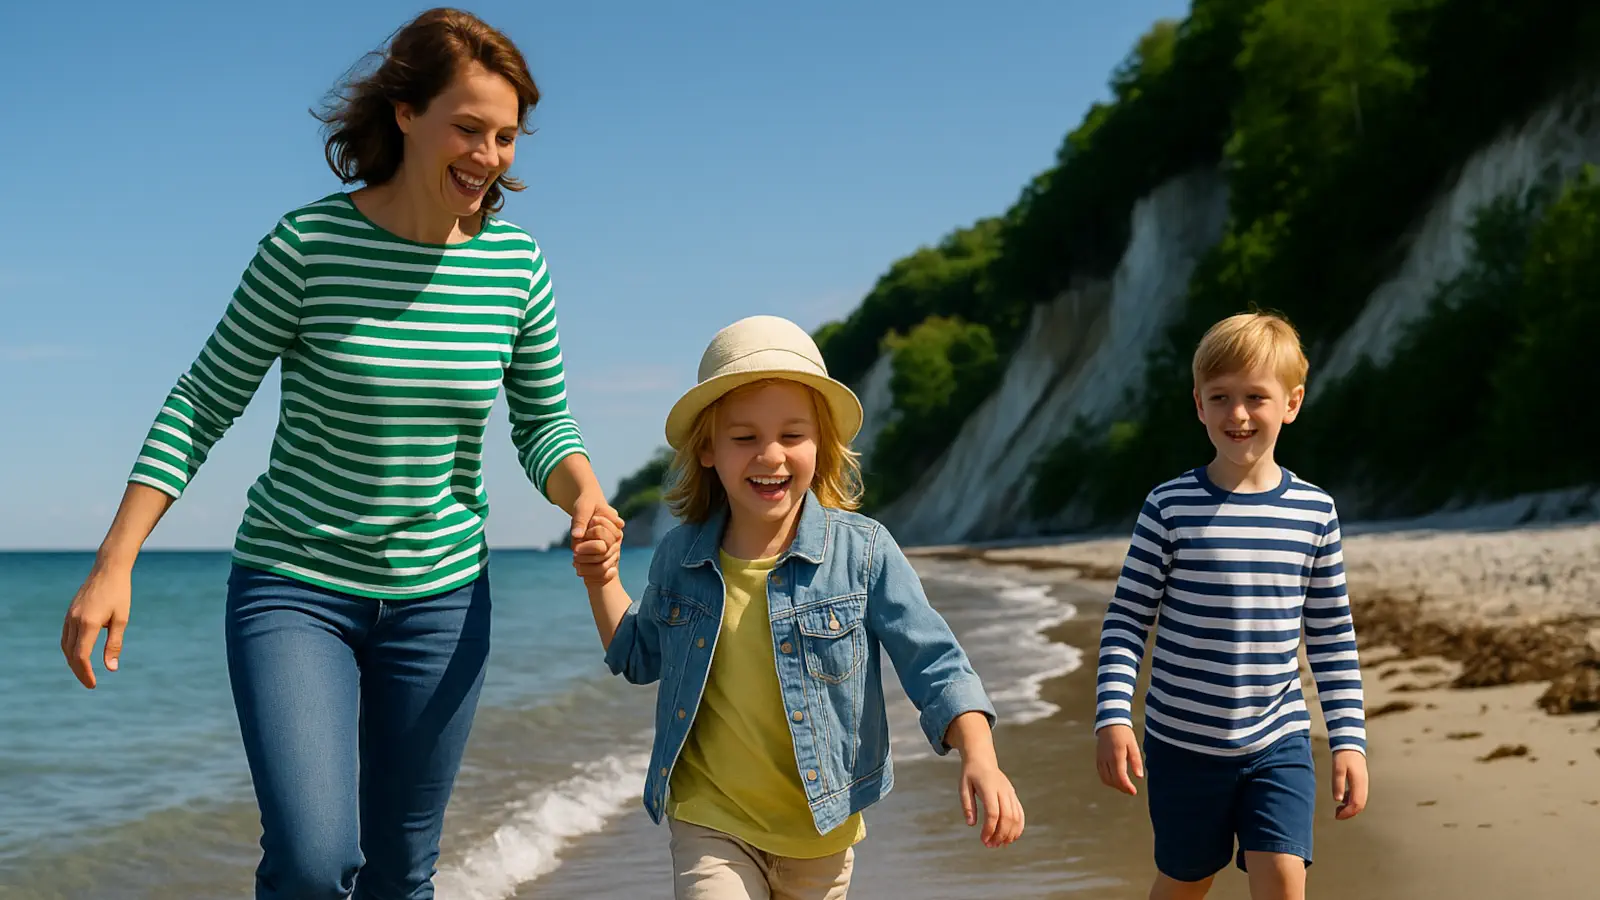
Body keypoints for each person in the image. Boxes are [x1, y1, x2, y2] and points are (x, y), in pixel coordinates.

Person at [58, 9, 624, 898]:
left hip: (442, 599)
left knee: (402, 872)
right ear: (406, 113)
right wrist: (115, 560)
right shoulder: (307, 247)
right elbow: (204, 400)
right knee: (314, 861)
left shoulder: (515, 267)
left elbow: (543, 424)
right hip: (297, 586)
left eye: (506, 136)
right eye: (468, 128)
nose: (488, 156)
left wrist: (583, 495)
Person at [570, 315, 1023, 899]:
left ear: (821, 444)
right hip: (710, 818)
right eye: (744, 438)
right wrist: (601, 578)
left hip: (821, 830)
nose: (771, 456)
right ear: (707, 449)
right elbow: (638, 655)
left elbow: (934, 662)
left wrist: (980, 755)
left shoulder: (862, 553)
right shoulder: (680, 556)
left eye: (792, 435)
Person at [1092, 310, 1369, 900]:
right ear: (1198, 404)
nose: (1237, 414)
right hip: (1182, 744)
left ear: (1292, 403)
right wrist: (1113, 716)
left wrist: (1348, 740)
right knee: (1187, 880)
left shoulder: (1315, 512)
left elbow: (1331, 637)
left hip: (1279, 738)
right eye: (1220, 397)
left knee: (1284, 876)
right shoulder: (1169, 507)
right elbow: (1128, 620)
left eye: (1255, 397)